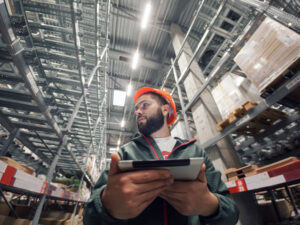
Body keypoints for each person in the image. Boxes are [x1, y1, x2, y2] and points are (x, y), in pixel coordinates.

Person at [84, 87, 239, 225]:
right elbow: (88, 216)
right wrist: (106, 205)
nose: (137, 111)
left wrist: (209, 205)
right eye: (136, 108)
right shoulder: (125, 153)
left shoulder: (194, 151)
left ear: (165, 110)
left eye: (144, 105)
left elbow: (232, 214)